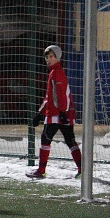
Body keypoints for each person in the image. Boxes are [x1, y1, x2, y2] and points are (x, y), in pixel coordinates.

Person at [26, 44, 81, 179]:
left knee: (46, 139)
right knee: (70, 140)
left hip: (57, 114)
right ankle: (82, 169)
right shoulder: (54, 72)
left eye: (51, 56)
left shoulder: (57, 73)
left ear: (58, 57)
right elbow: (50, 97)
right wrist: (40, 114)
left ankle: (41, 171)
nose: (48, 59)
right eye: (47, 57)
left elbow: (62, 95)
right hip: (61, 113)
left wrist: (62, 112)